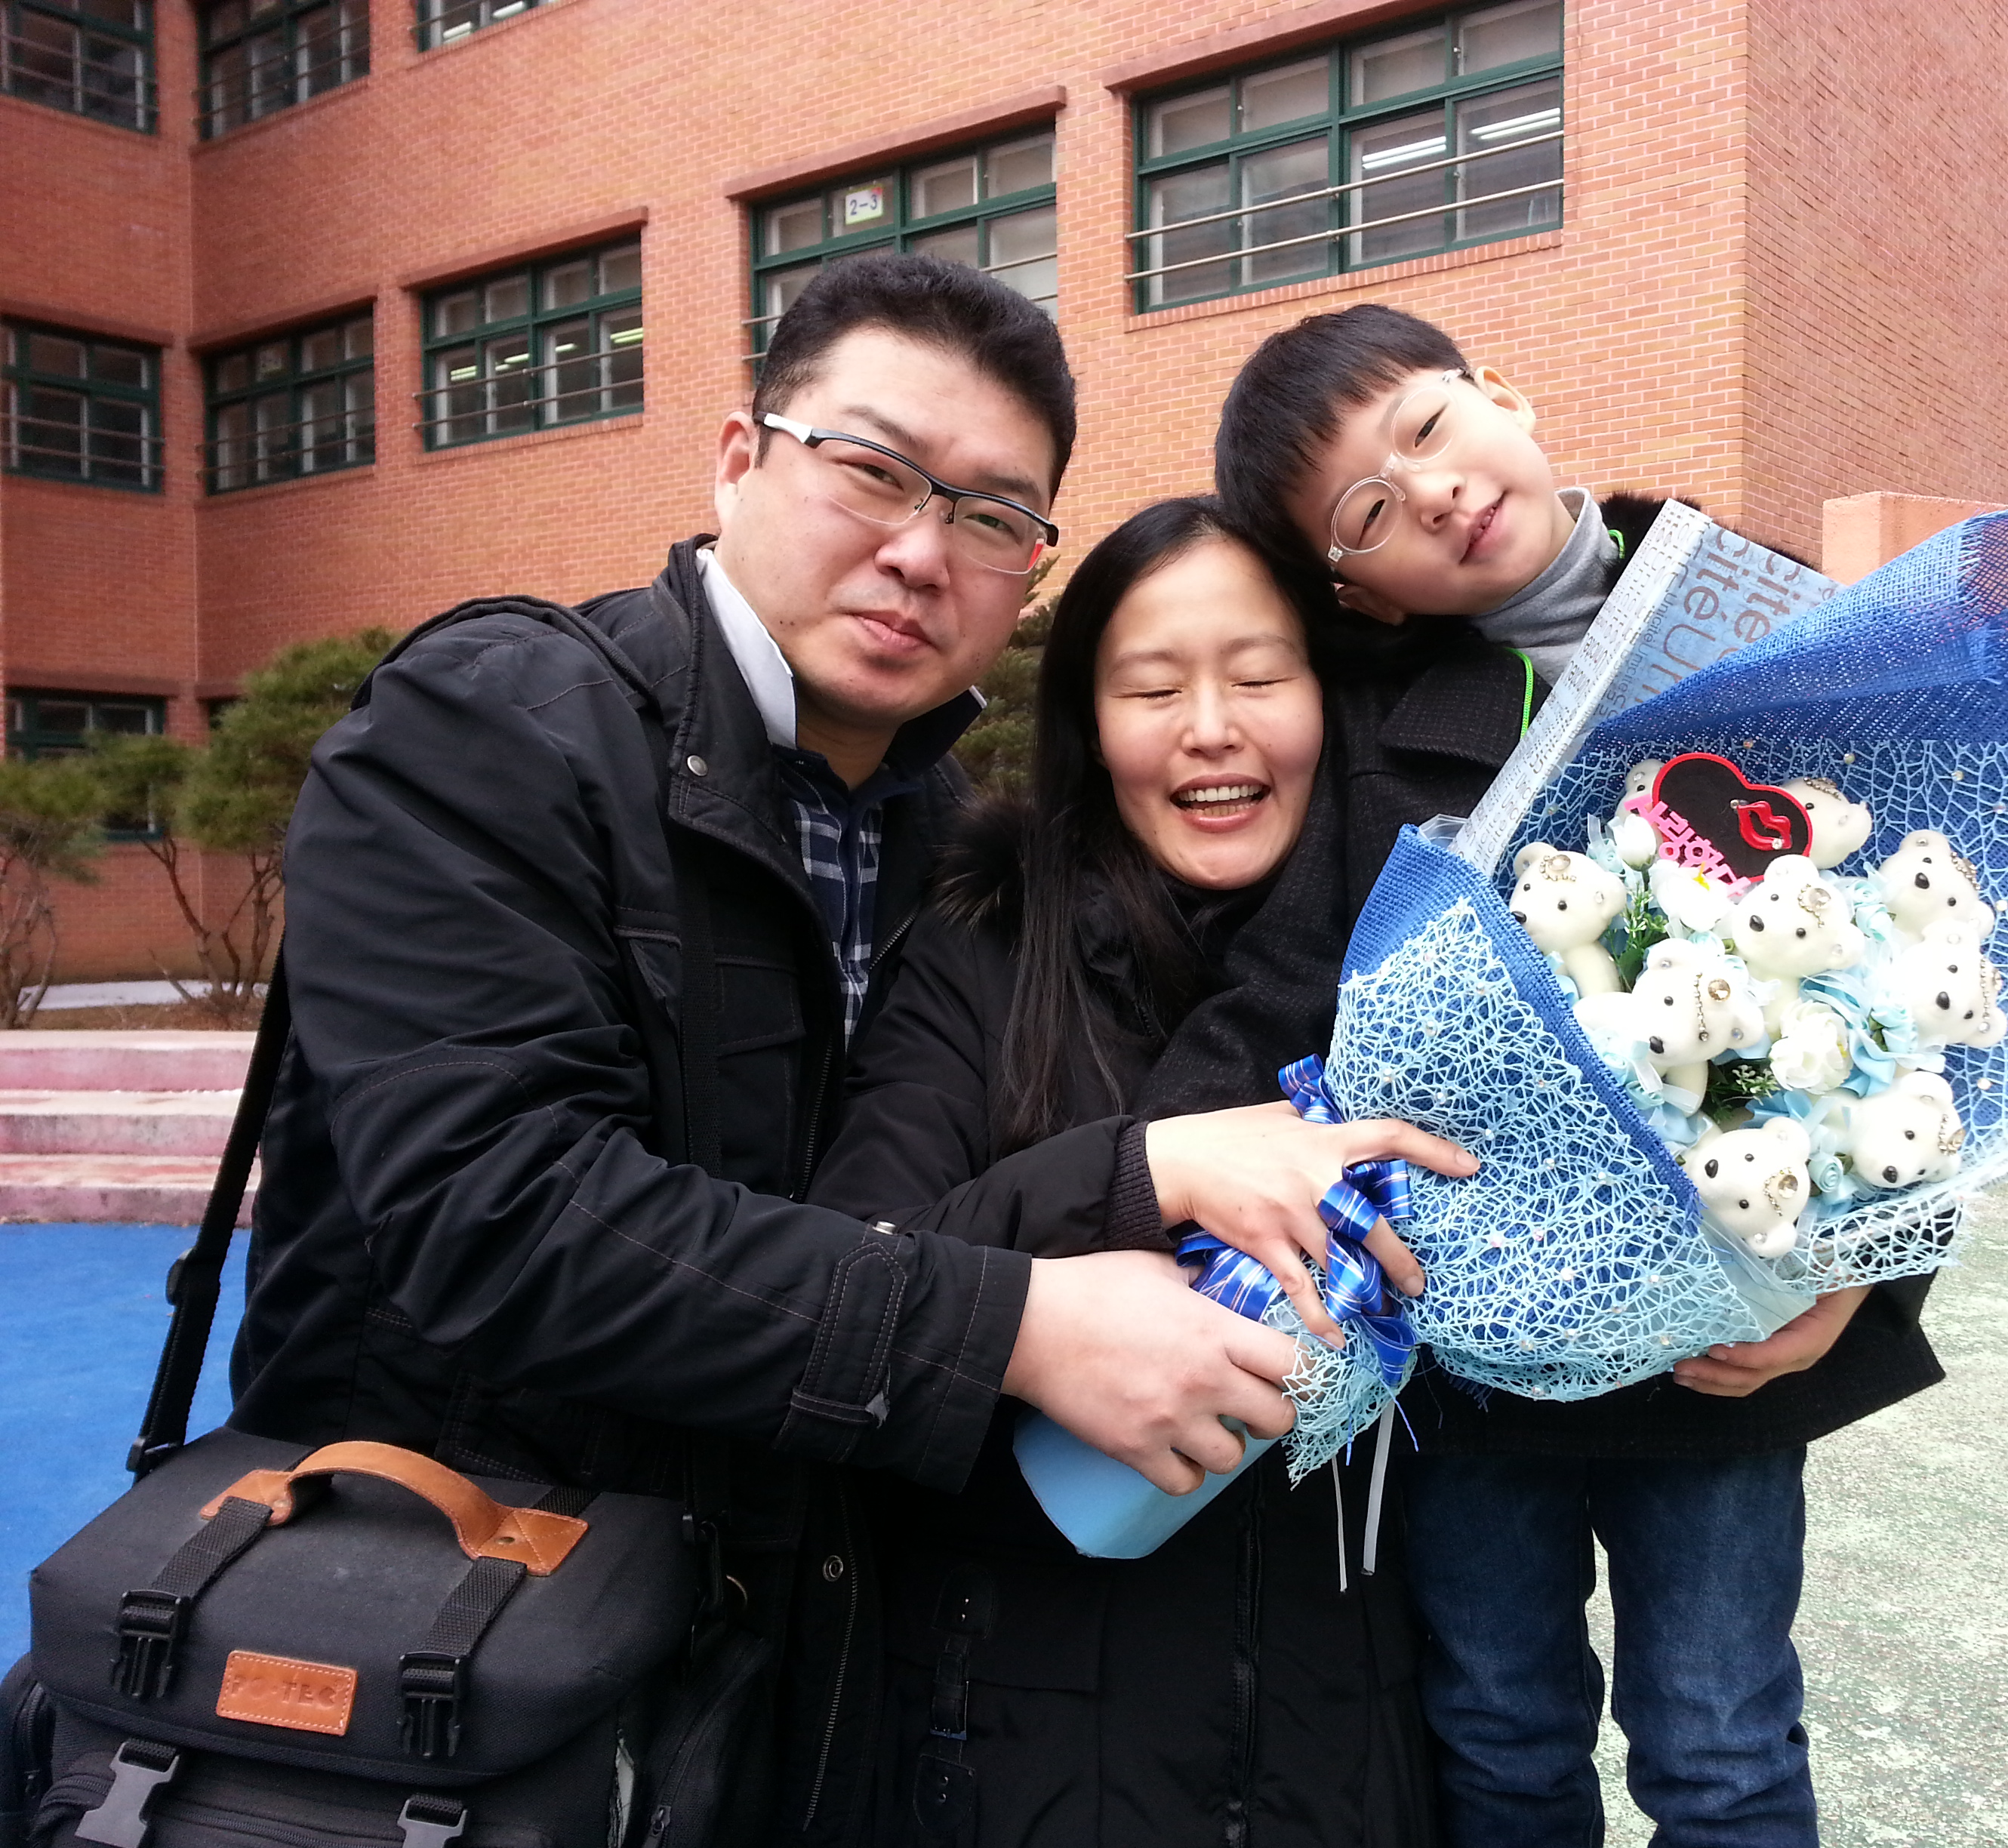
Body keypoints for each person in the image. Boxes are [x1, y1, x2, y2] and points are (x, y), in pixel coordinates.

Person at [226, 256, 1464, 1843]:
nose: (919, 550)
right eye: (874, 470)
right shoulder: (495, 728)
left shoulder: (943, 839)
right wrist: (1016, 1320)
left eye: (993, 515)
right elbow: (498, 1216)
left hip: (766, 1662)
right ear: (739, 458)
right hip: (468, 1657)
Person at [1148, 303, 1947, 1845]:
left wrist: (1862, 1271)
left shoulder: (1771, 627)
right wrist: (1132, 1168)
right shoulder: (1371, 739)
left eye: (1428, 428)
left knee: (1720, 1741)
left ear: (1500, 394)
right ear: (1356, 591)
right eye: (1367, 510)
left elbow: (1931, 993)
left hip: (1723, 1333)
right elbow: (1280, 994)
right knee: (1499, 1731)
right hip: (1475, 1349)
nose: (1434, 491)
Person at [812, 497, 1438, 1848]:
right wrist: (1144, 1171)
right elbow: (846, 1269)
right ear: (1090, 727)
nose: (1211, 728)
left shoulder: (1437, 973)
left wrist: (1813, 1299)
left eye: (1260, 677)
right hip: (1014, 1758)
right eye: (1152, 689)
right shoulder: (988, 952)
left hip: (1357, 1755)